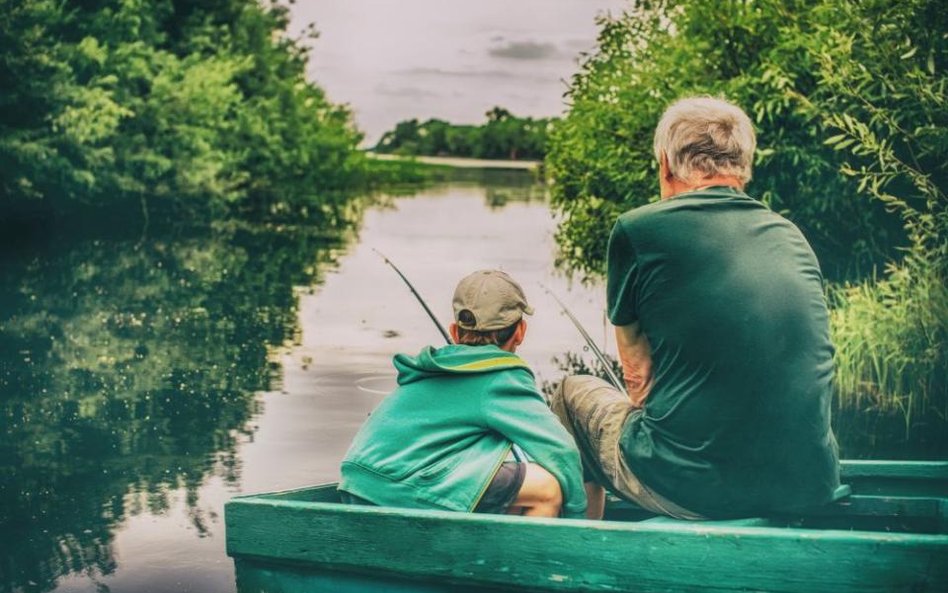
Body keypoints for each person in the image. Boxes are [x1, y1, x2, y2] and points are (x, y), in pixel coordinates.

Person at [550, 96, 840, 521]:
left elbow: (638, 378)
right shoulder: (790, 235)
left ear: (666, 163)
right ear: (745, 166)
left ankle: (579, 545)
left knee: (571, 395)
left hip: (698, 492)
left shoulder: (638, 229)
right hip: (809, 482)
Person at [339, 270, 587, 519]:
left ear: (454, 332)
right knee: (546, 489)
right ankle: (531, 558)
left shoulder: (433, 365)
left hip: (358, 480)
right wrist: (576, 517)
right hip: (399, 487)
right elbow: (561, 451)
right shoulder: (501, 376)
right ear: (520, 332)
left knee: (507, 479)